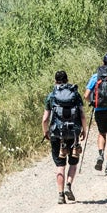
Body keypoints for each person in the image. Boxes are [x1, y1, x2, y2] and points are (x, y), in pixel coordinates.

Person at [42, 70, 86, 204]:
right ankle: (68, 185)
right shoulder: (75, 94)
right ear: (67, 80)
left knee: (60, 165)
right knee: (73, 162)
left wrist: (46, 132)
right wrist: (84, 129)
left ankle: (60, 195)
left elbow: (45, 119)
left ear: (55, 81)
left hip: (56, 133)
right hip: (73, 132)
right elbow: (82, 115)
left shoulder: (51, 96)